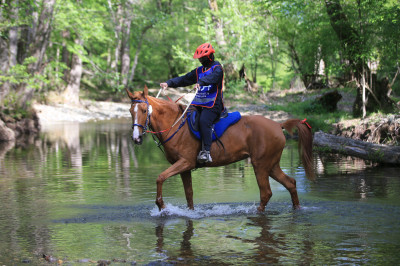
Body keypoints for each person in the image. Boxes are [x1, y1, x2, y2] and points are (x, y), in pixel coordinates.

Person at [160, 43, 224, 163]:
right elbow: (184, 79)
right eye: (199, 58)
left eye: (202, 58)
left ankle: (206, 152)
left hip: (213, 105)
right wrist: (169, 83)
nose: (200, 60)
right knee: (184, 117)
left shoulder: (217, 68)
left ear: (209, 57)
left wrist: (202, 81)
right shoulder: (199, 70)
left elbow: (214, 78)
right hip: (199, 104)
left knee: (204, 121)